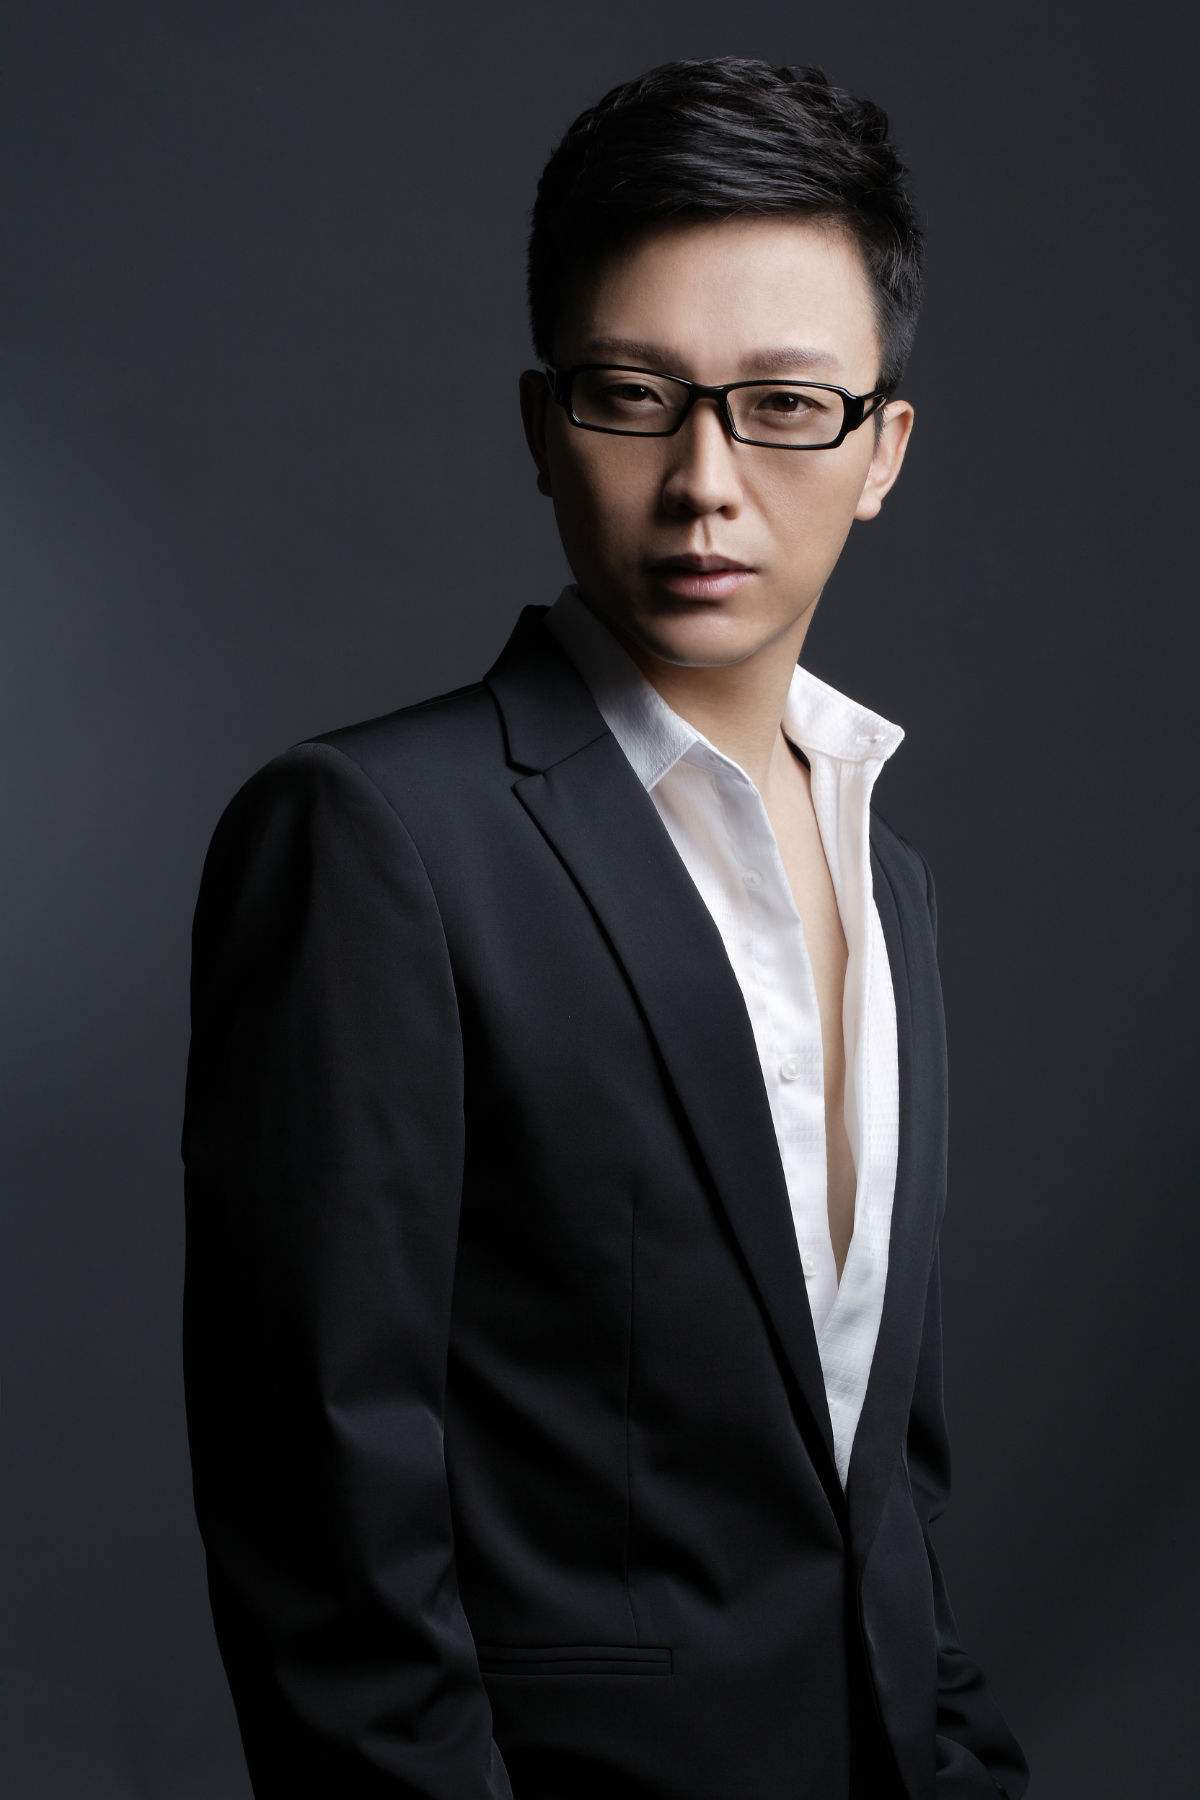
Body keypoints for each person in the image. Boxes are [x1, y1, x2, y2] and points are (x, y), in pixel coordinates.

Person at [181, 55, 1031, 1800]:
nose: (705, 480)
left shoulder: (890, 873)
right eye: (633, 396)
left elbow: (878, 1475)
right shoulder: (375, 838)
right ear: (540, 425)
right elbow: (319, 1517)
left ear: (882, 451)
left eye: (784, 405)